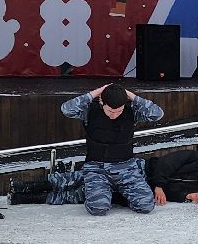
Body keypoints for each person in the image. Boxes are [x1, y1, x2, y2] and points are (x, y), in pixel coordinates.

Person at [16, 149, 198, 206]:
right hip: (142, 172)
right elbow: (166, 166)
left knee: (80, 194)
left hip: (140, 182)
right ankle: (32, 186)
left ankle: (28, 197)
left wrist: (182, 197)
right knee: (81, 179)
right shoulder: (195, 161)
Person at [57, 83, 164, 214]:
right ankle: (90, 190)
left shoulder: (132, 111)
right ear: (102, 103)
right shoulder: (89, 111)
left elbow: (158, 114)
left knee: (146, 206)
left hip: (126, 168)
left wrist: (130, 95)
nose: (114, 115)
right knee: (98, 208)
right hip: (96, 168)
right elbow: (66, 109)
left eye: (119, 111)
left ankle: (112, 193)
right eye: (110, 111)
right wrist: (98, 92)